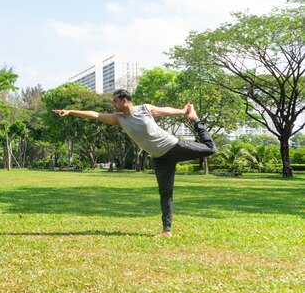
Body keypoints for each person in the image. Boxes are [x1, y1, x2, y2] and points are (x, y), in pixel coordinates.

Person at [53, 88, 216, 238]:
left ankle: (195, 119)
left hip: (173, 146)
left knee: (210, 148)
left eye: (115, 101)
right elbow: (95, 114)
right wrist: (71, 112)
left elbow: (165, 110)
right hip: (159, 158)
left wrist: (183, 111)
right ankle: (167, 230)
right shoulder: (119, 118)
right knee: (165, 193)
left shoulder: (144, 108)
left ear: (125, 100)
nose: (113, 104)